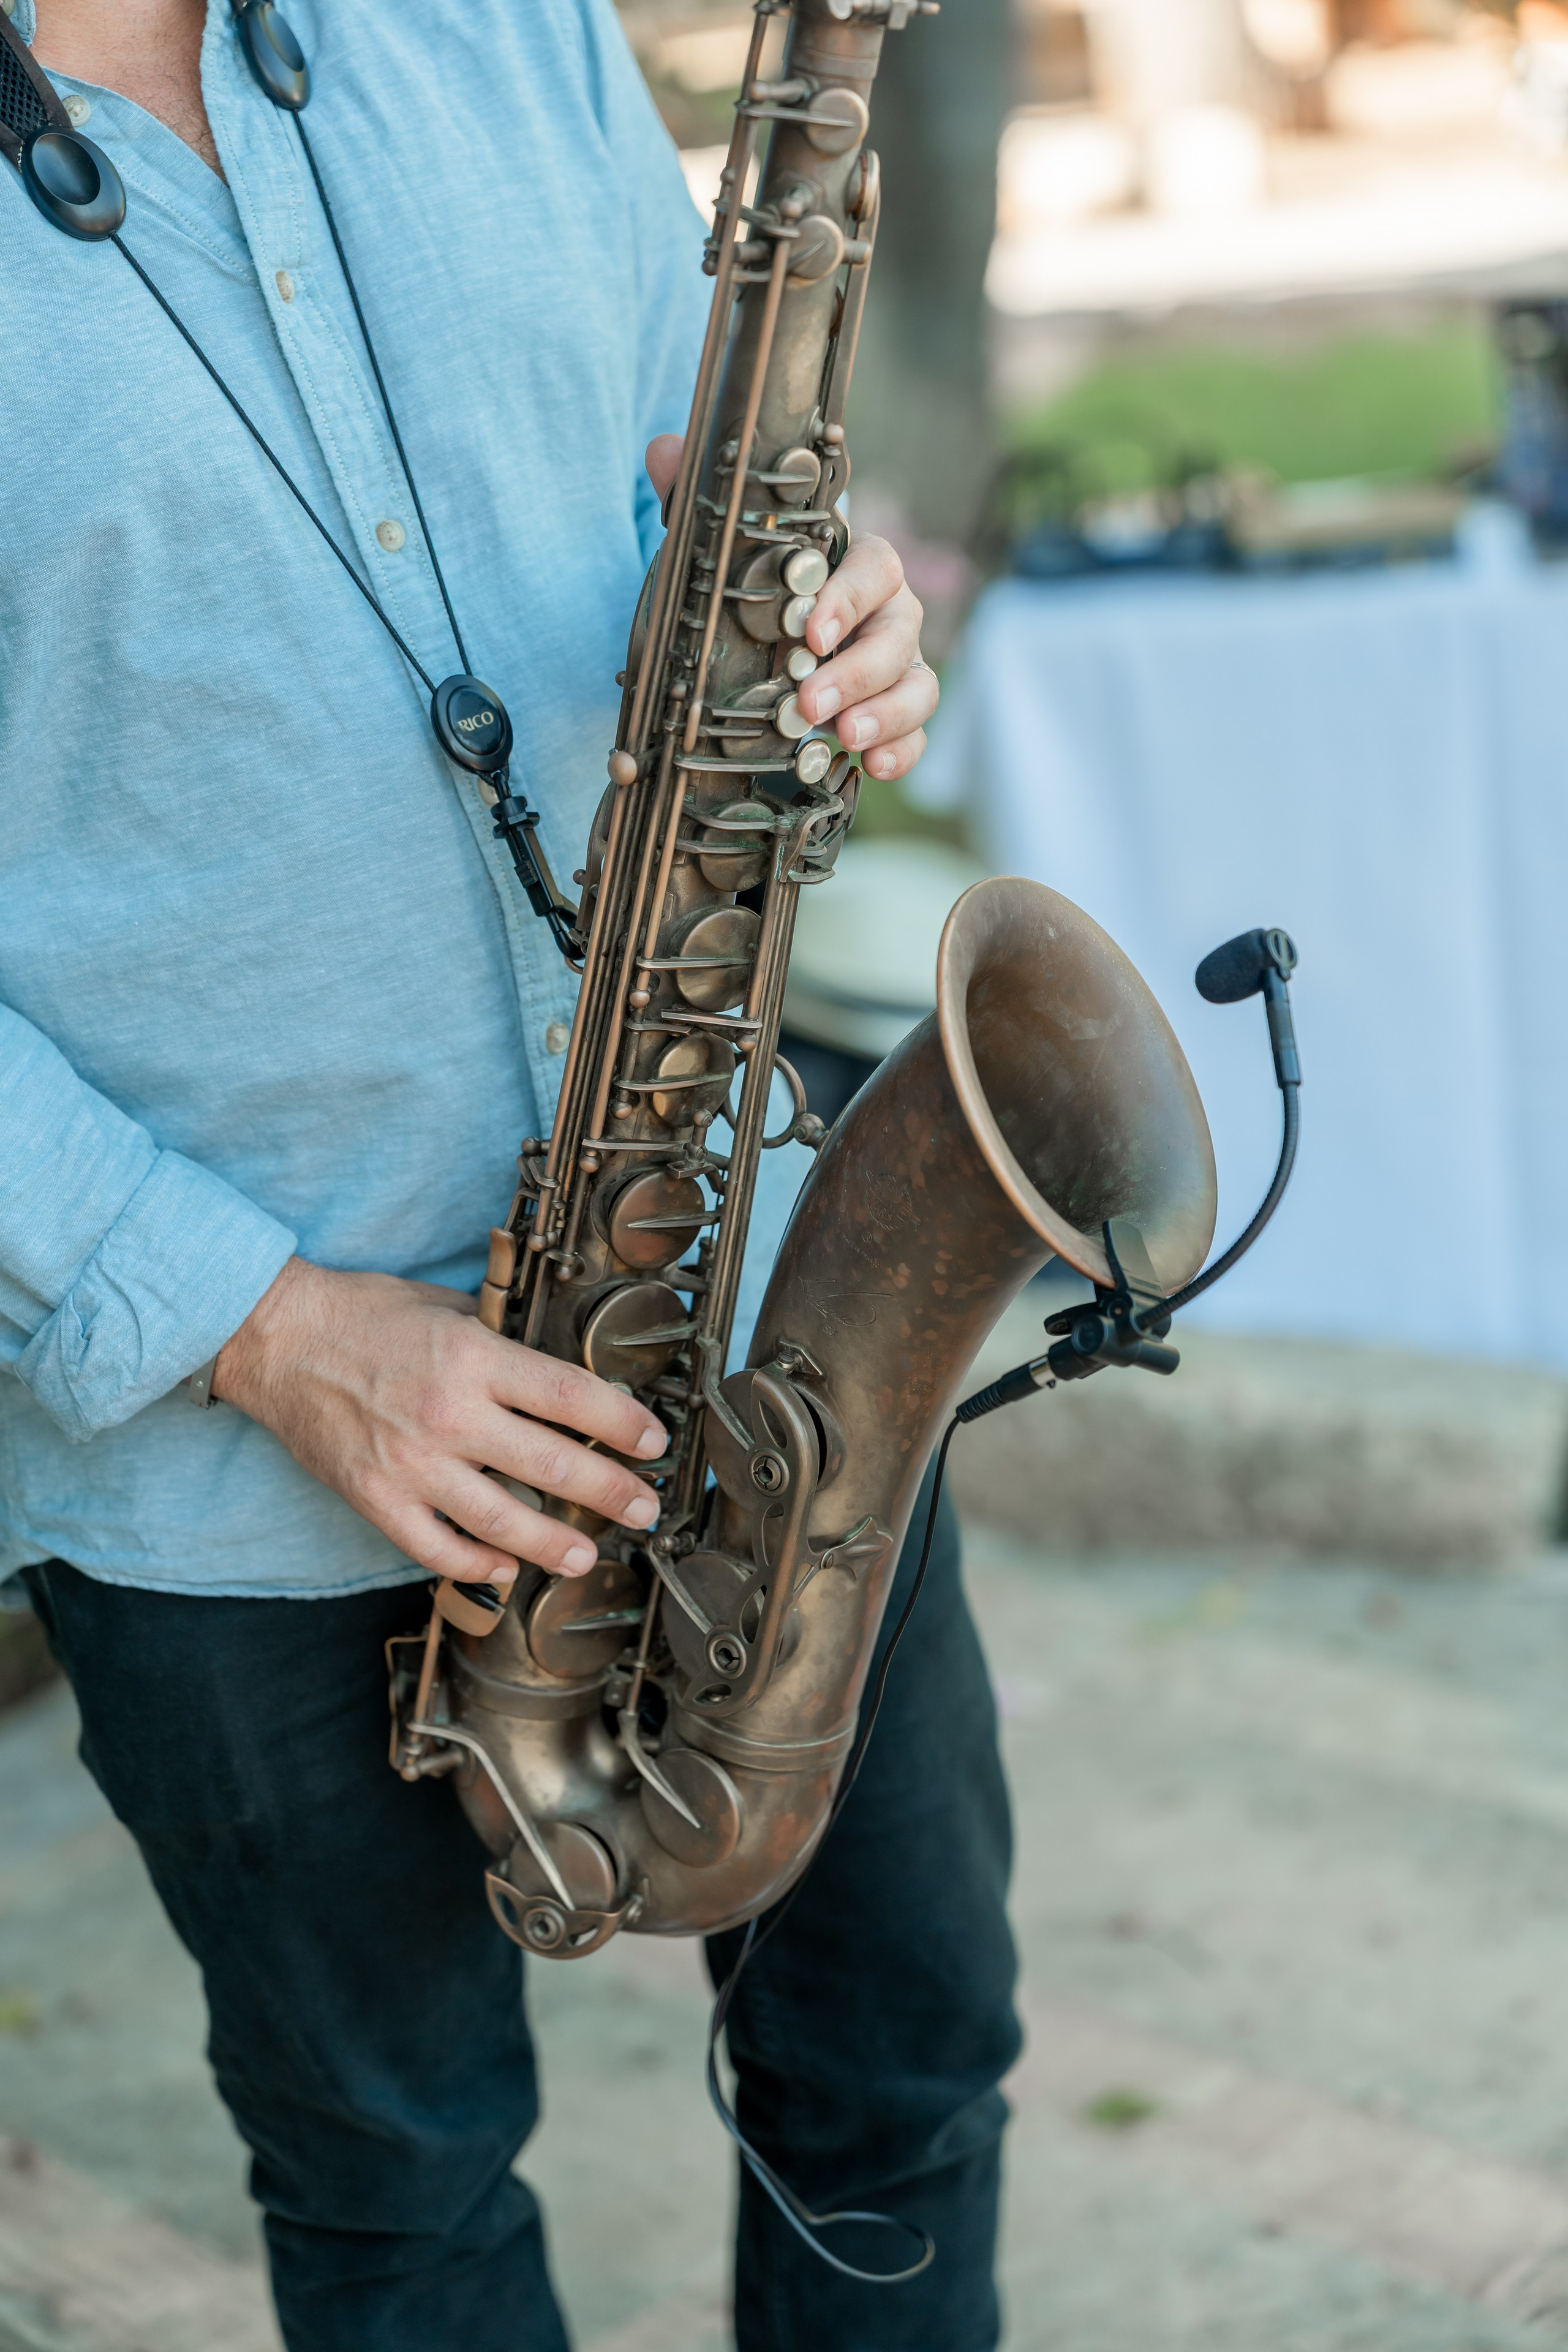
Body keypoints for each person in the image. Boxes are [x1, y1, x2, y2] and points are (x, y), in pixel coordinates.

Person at [0, 1, 1021, 2345]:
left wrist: (828, 624)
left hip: (747, 1323)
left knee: (905, 2072)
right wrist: (268, 1331)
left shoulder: (501, 22)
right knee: (403, 2196)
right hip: (230, 1452)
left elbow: (695, 482)